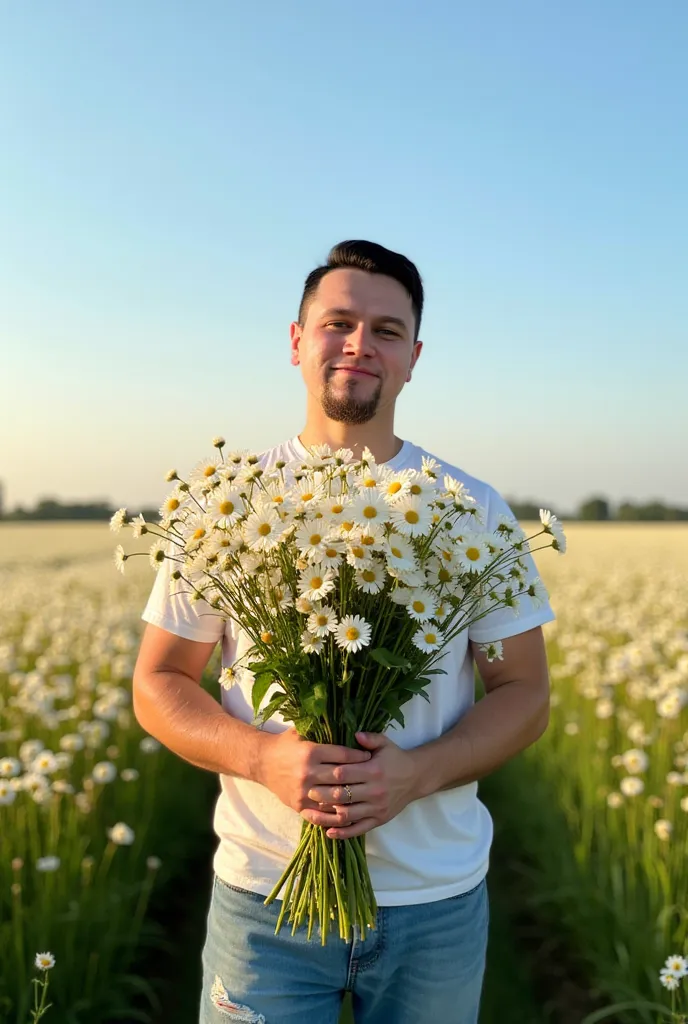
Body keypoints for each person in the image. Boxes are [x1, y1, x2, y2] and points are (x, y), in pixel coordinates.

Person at [133, 239, 555, 1024]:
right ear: (297, 341)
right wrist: (262, 758)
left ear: (414, 358)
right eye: (339, 323)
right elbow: (159, 683)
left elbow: (524, 691)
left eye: (388, 331)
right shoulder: (229, 503)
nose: (361, 344)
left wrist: (417, 774)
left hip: (435, 901)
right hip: (265, 899)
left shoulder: (470, 509)